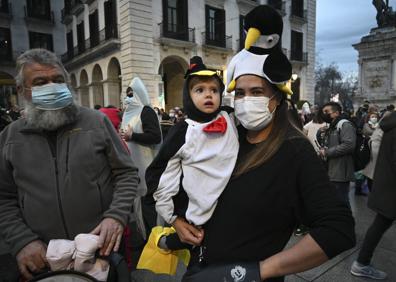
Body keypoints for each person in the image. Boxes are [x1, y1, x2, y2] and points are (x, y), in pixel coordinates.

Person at [171, 6, 355, 281]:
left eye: (257, 92)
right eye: (241, 93)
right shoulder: (230, 137)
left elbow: (338, 229)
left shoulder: (294, 150)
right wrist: (178, 220)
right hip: (200, 268)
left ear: (277, 97)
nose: (246, 100)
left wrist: (255, 272)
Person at [0, 49, 139, 280]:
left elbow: (126, 173)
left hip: (100, 251)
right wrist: (22, 241)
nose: (52, 87)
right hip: (43, 258)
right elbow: (3, 197)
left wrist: (116, 216)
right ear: (22, 91)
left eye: (58, 80)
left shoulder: (96, 122)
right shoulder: (10, 137)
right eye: (41, 82)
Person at [144, 56, 239, 254]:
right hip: (198, 211)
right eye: (199, 90)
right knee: (198, 245)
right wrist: (172, 217)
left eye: (214, 90)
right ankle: (167, 243)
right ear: (188, 96)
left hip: (232, 208)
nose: (208, 95)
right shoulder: (181, 131)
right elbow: (162, 174)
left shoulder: (229, 117)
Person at [350, 111, 396, 280]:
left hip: (387, 186)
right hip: (392, 189)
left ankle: (361, 263)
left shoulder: (390, 125)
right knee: (379, 226)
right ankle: (361, 263)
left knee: (379, 225)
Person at [119, 78, 162, 241]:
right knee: (139, 210)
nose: (128, 97)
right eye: (127, 94)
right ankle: (145, 240)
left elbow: (155, 136)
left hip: (147, 169)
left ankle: (155, 242)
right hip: (133, 169)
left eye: (132, 94)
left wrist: (133, 136)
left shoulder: (146, 111)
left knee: (149, 208)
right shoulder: (128, 114)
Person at [319, 102, 356, 204]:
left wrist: (327, 152)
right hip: (332, 170)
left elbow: (349, 145)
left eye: (327, 112)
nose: (324, 114)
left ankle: (346, 220)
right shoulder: (332, 126)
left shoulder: (345, 124)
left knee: (341, 202)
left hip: (340, 171)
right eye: (323, 112)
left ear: (336, 113)